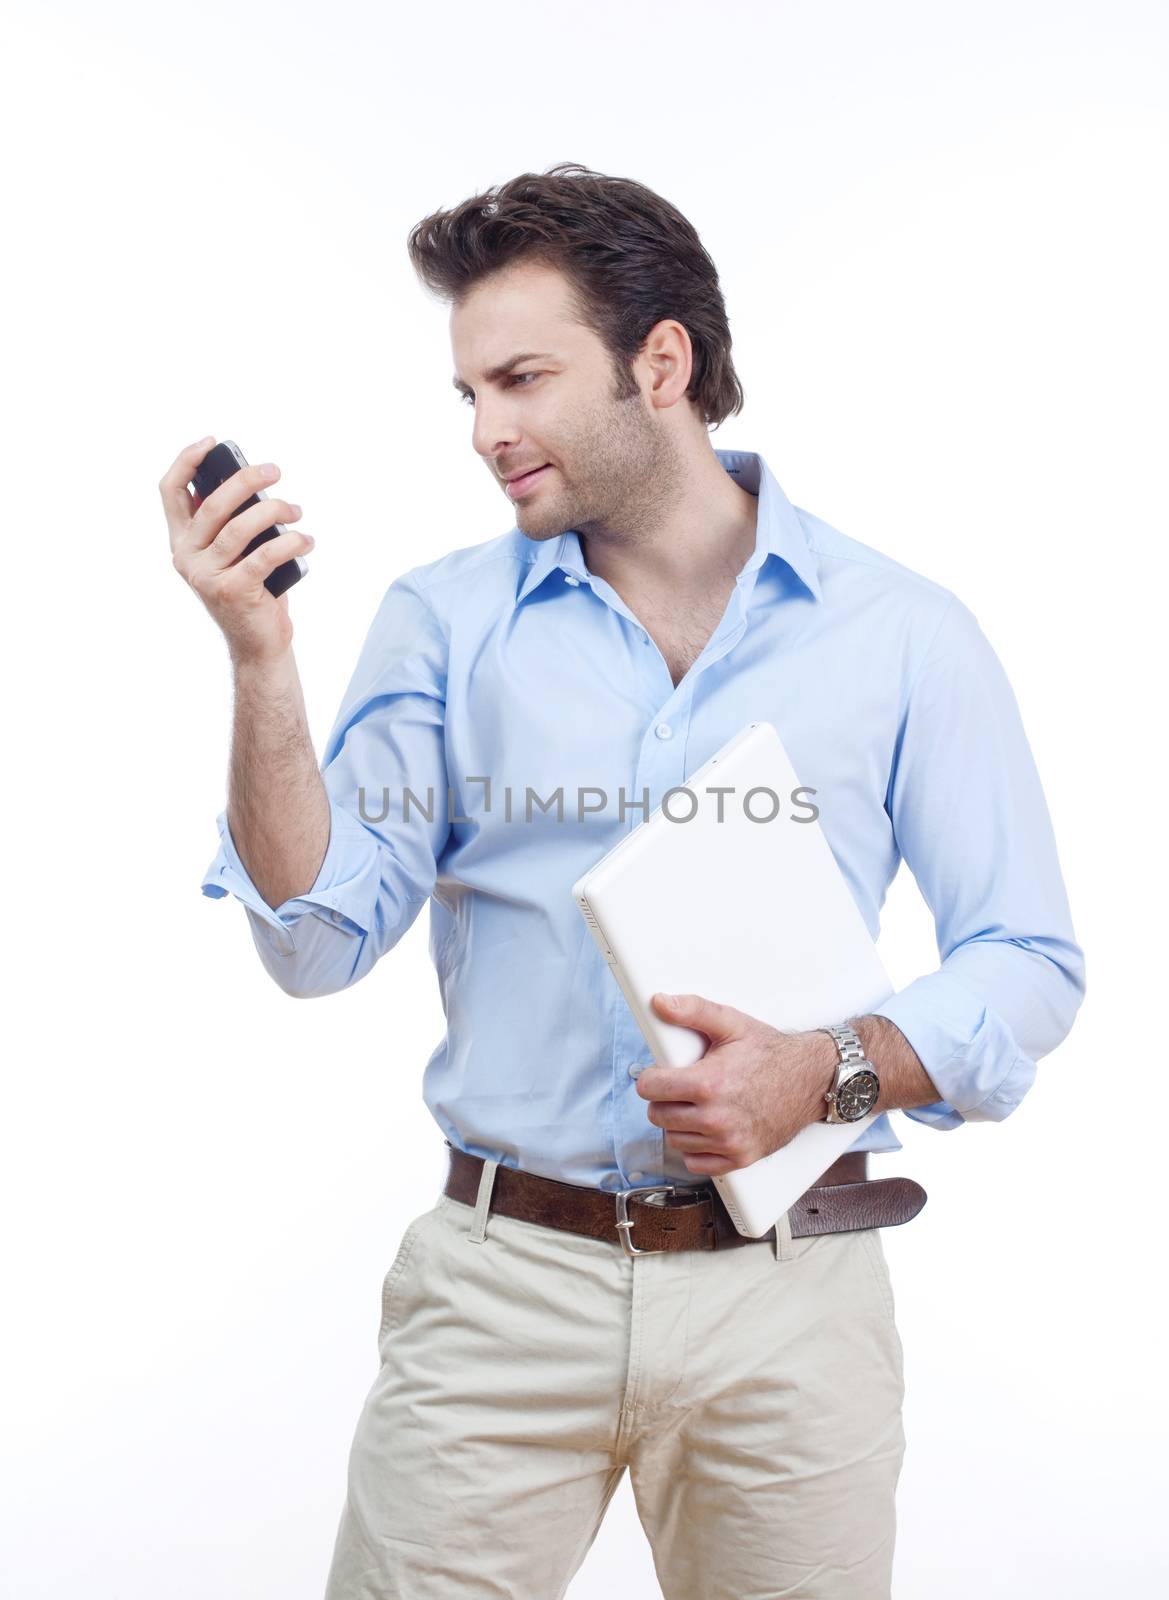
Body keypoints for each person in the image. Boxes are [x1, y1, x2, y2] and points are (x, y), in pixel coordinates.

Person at [161, 162, 1085, 1599]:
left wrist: (823, 1071)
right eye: (466, 394)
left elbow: (1024, 959)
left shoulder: (904, 635)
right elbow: (317, 939)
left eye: (520, 379)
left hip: (793, 1312)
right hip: (497, 1296)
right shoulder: (443, 623)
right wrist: (258, 660)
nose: (486, 431)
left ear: (662, 363)